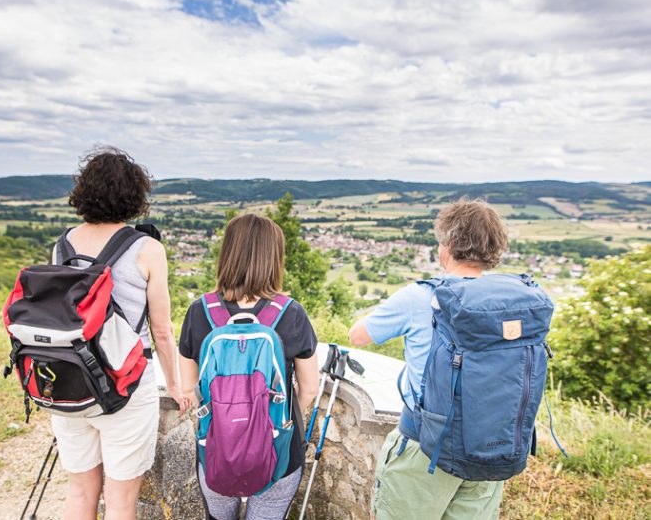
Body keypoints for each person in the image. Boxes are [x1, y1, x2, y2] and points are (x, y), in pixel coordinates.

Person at [50, 147, 190, 520]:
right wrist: (174, 384)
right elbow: (161, 330)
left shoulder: (62, 244)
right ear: (135, 196)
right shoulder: (146, 249)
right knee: (120, 499)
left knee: (79, 491)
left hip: (69, 378)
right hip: (124, 383)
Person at [349, 199, 509, 520]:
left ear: (447, 245)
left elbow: (358, 335)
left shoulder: (420, 296)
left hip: (427, 447)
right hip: (490, 446)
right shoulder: (509, 299)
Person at [179, 213, 319, 520]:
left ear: (227, 254)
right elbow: (309, 389)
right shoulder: (292, 313)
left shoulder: (199, 312)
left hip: (216, 446)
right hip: (278, 450)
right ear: (274, 257)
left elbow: (191, 388)